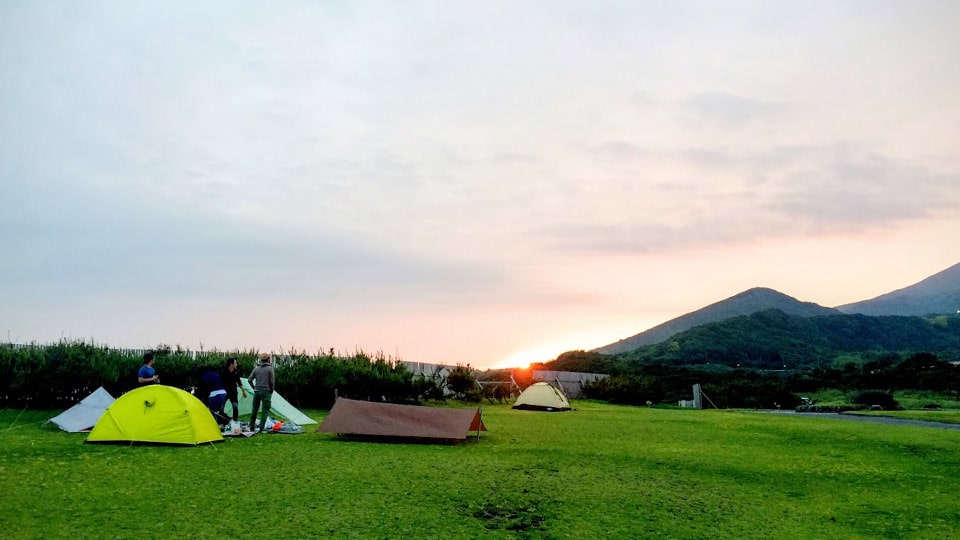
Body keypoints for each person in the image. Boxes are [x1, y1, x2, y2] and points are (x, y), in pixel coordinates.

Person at [248, 352, 275, 433]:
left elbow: (249, 380)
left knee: (254, 409)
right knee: (265, 410)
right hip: (266, 391)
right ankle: (260, 428)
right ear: (268, 359)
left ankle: (251, 426)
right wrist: (271, 390)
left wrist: (254, 388)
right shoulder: (270, 369)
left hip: (257, 391)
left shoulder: (256, 368)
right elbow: (272, 382)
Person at [221, 356, 248, 422]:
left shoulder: (236, 372)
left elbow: (239, 382)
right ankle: (221, 420)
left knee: (235, 406)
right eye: (235, 363)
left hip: (233, 391)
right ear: (231, 364)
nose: (236, 364)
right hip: (225, 391)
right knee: (221, 406)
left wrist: (243, 391)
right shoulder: (224, 372)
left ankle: (235, 421)